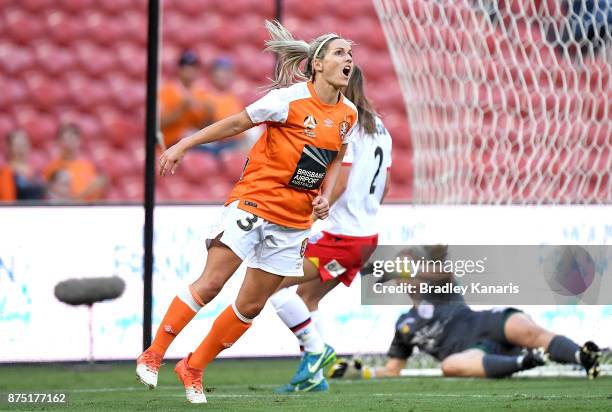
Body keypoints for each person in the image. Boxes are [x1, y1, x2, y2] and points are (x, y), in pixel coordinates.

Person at [136, 20, 358, 404]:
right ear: (318, 63)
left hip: (294, 222)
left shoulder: (349, 114)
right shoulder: (287, 100)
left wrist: (325, 194)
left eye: (351, 54)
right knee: (211, 283)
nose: (348, 59)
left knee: (251, 306)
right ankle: (154, 353)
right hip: (255, 201)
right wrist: (183, 144)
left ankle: (193, 367)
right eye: (340, 53)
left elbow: (336, 157)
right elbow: (238, 122)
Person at [268, 65, 393, 393]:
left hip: (340, 238)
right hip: (365, 240)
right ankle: (315, 378)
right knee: (307, 296)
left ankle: (318, 353)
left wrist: (314, 212)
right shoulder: (380, 128)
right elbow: (387, 186)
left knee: (272, 285)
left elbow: (342, 178)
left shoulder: (345, 123)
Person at [328, 245, 602, 380]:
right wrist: (360, 372)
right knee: (449, 367)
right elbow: (393, 369)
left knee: (524, 327)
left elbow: (445, 271)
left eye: (411, 268)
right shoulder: (404, 324)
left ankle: (583, 356)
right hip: (472, 352)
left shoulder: (441, 285)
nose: (407, 275)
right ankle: (526, 362)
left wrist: (390, 267)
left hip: (485, 323)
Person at [159, 50, 213, 149]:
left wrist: (209, 115)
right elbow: (158, 124)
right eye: (186, 66)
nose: (190, 70)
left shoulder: (201, 93)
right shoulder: (166, 91)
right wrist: (180, 110)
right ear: (179, 68)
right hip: (171, 141)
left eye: (193, 67)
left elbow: (202, 127)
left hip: (192, 139)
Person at [195, 57, 246, 156]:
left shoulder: (234, 97)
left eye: (227, 71)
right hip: (211, 142)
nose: (224, 75)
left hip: (233, 143)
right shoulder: (203, 94)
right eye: (221, 71)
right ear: (212, 74)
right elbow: (199, 127)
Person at [43, 123, 107, 201]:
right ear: (58, 141)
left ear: (80, 140)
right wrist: (84, 193)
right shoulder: (52, 168)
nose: (71, 142)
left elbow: (99, 190)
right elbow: (53, 198)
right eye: (67, 138)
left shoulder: (89, 166)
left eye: (74, 138)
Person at [0, 130, 46, 202]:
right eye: (17, 145)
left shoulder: (36, 172)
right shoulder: (6, 172)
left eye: (24, 145)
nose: (21, 149)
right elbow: (8, 203)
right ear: (9, 148)